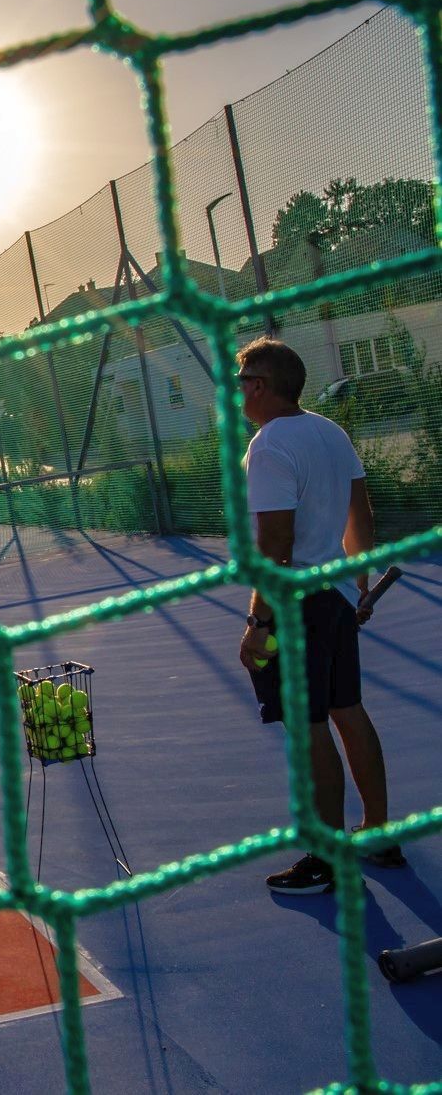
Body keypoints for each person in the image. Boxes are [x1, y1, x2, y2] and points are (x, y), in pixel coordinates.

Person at [236, 337, 403, 894]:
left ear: (259, 386)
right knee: (347, 711)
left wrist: (260, 623)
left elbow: (275, 545)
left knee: (309, 731)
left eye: (241, 382)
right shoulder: (330, 431)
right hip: (330, 597)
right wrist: (356, 579)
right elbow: (361, 512)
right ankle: (378, 832)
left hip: (298, 605)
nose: (238, 393)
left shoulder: (269, 446)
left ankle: (327, 858)